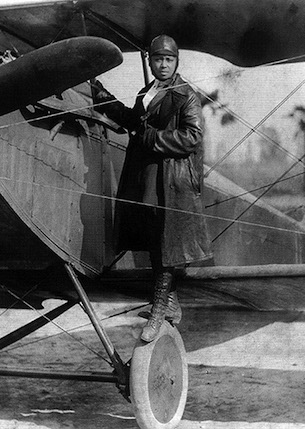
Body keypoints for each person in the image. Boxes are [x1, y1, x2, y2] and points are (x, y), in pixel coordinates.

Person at [93, 35, 212, 342]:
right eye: (158, 59)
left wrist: (152, 139)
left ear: (176, 62)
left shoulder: (186, 95)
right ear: (150, 61)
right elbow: (134, 120)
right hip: (147, 176)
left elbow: (192, 138)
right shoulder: (147, 92)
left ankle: (159, 309)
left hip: (171, 180)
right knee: (153, 238)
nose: (162, 64)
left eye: (168, 60)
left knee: (165, 243)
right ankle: (171, 304)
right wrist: (101, 94)